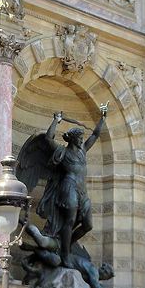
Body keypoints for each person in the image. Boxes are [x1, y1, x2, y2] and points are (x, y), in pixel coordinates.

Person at [36, 106, 107, 265]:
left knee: (88, 225)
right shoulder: (62, 151)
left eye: (82, 139)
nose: (82, 140)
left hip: (82, 191)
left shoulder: (83, 151)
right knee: (70, 220)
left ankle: (64, 245)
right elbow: (48, 139)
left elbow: (95, 135)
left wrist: (102, 118)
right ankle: (66, 254)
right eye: (80, 138)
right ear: (73, 138)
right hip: (68, 187)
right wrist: (56, 120)